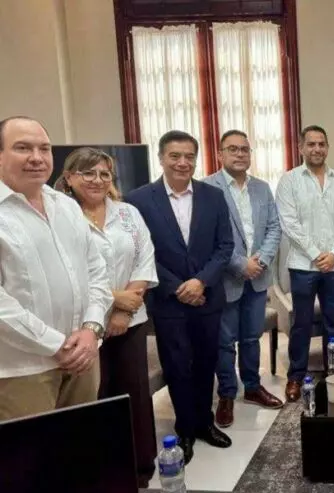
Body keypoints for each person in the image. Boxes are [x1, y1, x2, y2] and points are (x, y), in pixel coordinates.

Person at [127, 130, 234, 464]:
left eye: (189, 156)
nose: (182, 162)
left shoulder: (213, 196)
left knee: (206, 362)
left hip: (207, 297)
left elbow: (225, 246)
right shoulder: (138, 200)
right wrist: (178, 287)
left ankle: (204, 422)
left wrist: (200, 282)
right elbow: (141, 253)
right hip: (168, 300)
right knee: (177, 366)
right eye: (175, 156)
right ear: (161, 158)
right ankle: (185, 428)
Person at [55, 146, 159, 486]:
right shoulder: (59, 216)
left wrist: (125, 309)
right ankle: (102, 470)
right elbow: (66, 273)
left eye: (104, 174)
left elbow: (145, 258)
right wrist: (115, 300)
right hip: (82, 327)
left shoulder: (128, 213)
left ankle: (140, 468)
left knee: (134, 395)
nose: (97, 180)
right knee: (94, 398)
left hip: (131, 322)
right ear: (69, 178)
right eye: (88, 173)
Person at [0, 116, 112, 421]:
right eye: (23, 148)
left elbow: (96, 271)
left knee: (80, 442)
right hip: (23, 369)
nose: (37, 157)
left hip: (84, 357)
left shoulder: (65, 205)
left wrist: (91, 330)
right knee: (32, 450)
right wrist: (56, 345)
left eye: (44, 148)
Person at [205, 130, 284, 428]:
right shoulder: (207, 188)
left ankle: (252, 386)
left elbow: (274, 227)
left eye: (245, 149)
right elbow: (208, 236)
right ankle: (227, 393)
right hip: (226, 279)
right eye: (233, 149)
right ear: (220, 154)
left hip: (258, 277)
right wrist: (241, 265)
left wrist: (260, 261)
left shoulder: (262, 188)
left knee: (252, 337)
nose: (240, 154)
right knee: (225, 342)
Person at [275, 125, 334, 402]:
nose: (317, 149)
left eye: (321, 144)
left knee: (333, 323)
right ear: (301, 147)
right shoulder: (289, 181)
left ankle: (333, 371)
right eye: (311, 144)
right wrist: (315, 253)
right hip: (303, 266)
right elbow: (289, 223)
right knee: (301, 323)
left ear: (327, 147)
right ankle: (296, 376)